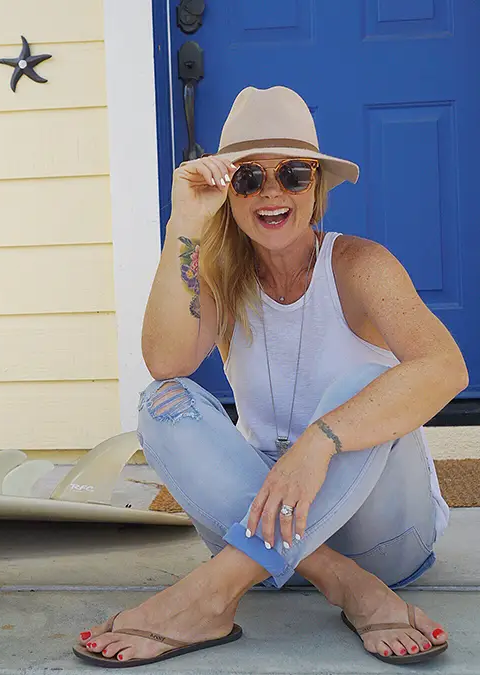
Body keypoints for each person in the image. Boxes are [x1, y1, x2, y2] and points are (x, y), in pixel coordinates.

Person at [74, 86, 467, 668]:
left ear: (318, 188)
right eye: (249, 178)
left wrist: (318, 441)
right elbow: (166, 363)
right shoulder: (218, 271)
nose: (272, 192)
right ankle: (342, 582)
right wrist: (184, 225)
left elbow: (445, 368)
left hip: (383, 537)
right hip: (258, 520)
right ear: (228, 193)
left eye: (292, 174)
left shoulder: (360, 265)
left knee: (364, 383)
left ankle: (210, 595)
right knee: (163, 401)